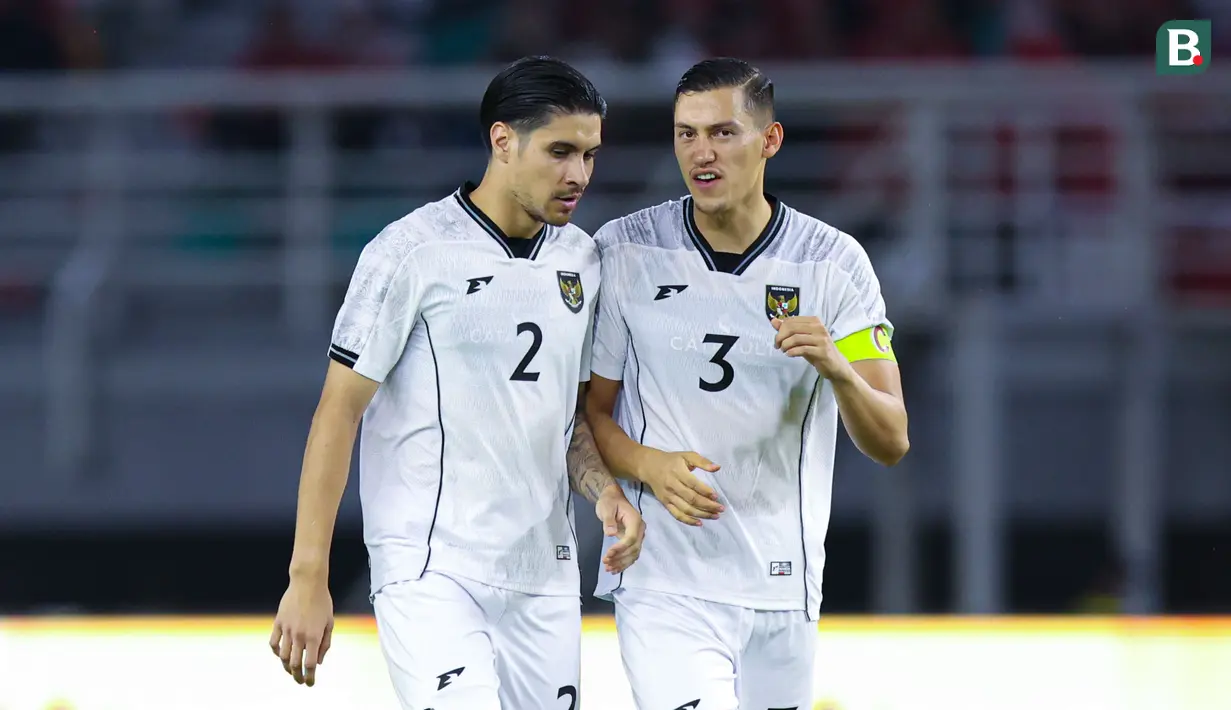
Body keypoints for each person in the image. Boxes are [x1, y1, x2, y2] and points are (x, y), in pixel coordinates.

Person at [269, 56, 645, 710]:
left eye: (588, 154)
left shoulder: (581, 261)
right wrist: (308, 575)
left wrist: (603, 491)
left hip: (544, 577)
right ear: (503, 142)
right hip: (432, 570)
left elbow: (560, 418)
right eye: (559, 152)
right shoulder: (411, 250)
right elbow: (337, 411)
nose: (578, 174)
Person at [585, 57, 910, 710]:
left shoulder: (831, 264)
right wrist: (648, 463)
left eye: (722, 133)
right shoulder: (624, 251)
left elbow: (890, 439)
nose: (701, 153)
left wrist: (837, 370)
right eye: (686, 134)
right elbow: (586, 414)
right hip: (664, 580)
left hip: (780, 587)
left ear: (769, 140)